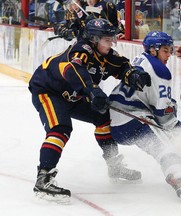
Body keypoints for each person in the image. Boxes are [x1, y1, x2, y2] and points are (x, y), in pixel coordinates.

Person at [28, 18, 151, 200]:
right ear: (94, 39)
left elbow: (121, 66)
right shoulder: (81, 50)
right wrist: (92, 90)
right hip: (49, 91)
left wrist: (133, 75)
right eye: (107, 40)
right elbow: (72, 70)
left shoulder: (107, 55)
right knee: (60, 128)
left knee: (103, 117)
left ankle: (114, 166)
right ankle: (43, 178)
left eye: (112, 39)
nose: (111, 43)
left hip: (74, 96)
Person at [109, 31, 181, 203]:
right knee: (164, 147)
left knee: (157, 142)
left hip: (116, 121)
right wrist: (178, 125)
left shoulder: (141, 59)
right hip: (132, 119)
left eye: (170, 49)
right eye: (165, 50)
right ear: (153, 50)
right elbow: (164, 117)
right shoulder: (160, 70)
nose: (169, 54)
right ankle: (179, 178)